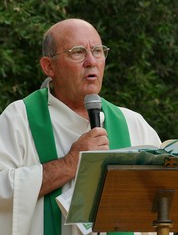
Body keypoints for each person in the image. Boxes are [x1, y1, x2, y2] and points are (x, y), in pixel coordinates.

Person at [0, 18, 162, 235]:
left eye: (97, 51)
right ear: (49, 66)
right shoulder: (19, 119)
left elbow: (162, 202)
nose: (91, 61)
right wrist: (71, 162)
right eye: (77, 52)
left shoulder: (133, 124)